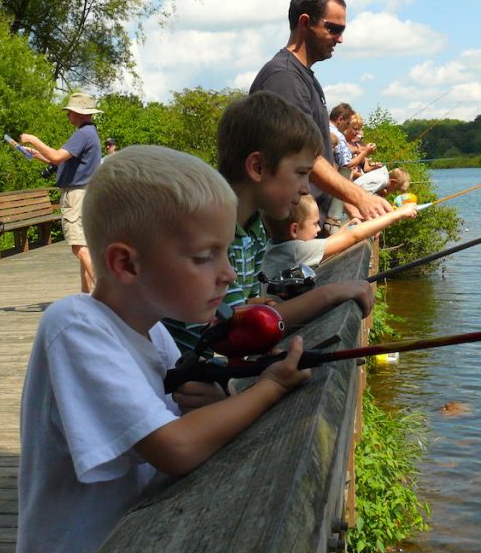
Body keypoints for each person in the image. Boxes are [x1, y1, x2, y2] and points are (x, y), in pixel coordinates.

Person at [7, 145, 312, 553]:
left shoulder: (156, 333)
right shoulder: (74, 326)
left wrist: (217, 404)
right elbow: (174, 446)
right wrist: (269, 388)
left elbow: (185, 421)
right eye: (203, 256)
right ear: (126, 264)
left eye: (226, 251)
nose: (229, 273)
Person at [160, 92, 375, 356]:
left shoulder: (253, 226)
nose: (306, 189)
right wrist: (332, 294)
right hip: (188, 380)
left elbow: (244, 306)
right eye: (300, 173)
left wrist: (257, 304)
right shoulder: (211, 231)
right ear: (258, 167)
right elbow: (237, 325)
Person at [249, 0, 392, 228]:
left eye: (342, 30)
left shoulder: (306, 78)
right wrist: (359, 196)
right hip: (291, 233)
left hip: (315, 225)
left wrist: (351, 206)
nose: (340, 38)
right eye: (333, 29)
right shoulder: (283, 78)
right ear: (305, 22)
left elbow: (323, 156)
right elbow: (301, 154)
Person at [20, 92, 102, 293]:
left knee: (78, 247)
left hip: (77, 195)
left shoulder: (82, 134)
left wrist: (33, 140)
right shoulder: (90, 133)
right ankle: (87, 297)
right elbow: (58, 159)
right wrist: (37, 155)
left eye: (70, 112)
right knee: (84, 247)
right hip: (87, 194)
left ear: (79, 113)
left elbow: (56, 157)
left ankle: (107, 293)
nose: (68, 116)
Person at [262, 194, 418, 277]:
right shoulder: (296, 251)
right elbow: (354, 237)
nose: (318, 229)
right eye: (315, 223)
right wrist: (397, 215)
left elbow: (326, 244)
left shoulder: (275, 246)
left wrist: (344, 229)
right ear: (294, 230)